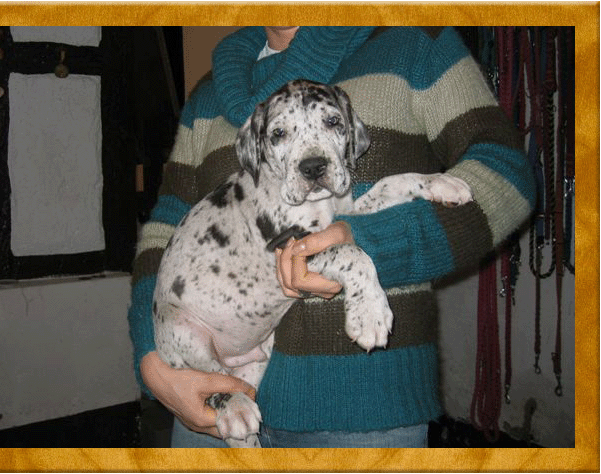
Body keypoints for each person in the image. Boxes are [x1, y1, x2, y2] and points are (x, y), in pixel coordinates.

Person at [128, 26, 535, 448]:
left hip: (364, 414)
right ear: (258, 152)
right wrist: (154, 365)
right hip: (207, 395)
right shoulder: (207, 94)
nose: (312, 158)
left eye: (331, 123)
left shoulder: (414, 42)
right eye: (281, 134)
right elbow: (161, 231)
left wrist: (381, 234)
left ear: (351, 132)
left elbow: (509, 176)